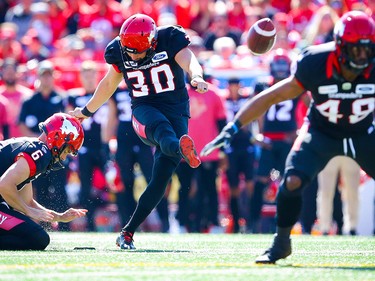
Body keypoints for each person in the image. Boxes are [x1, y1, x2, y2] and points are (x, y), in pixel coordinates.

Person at [201, 11, 375, 264]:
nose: (362, 56)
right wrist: (233, 126)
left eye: (366, 49)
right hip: (322, 131)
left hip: (363, 132)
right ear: (339, 47)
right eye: (355, 49)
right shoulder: (316, 62)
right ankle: (281, 243)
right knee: (292, 180)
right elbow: (272, 96)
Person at [69, 14, 208, 249]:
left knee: (160, 180)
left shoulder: (169, 38)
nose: (132, 55)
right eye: (129, 50)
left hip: (176, 111)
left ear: (153, 43)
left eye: (137, 51)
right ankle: (181, 149)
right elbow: (109, 83)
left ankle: (127, 232)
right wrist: (87, 111)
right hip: (144, 110)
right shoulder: (120, 49)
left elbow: (189, 59)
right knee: (163, 130)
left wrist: (196, 76)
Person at [0, 113, 87, 250]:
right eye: (67, 150)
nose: (64, 157)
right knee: (38, 238)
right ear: (58, 138)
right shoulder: (40, 152)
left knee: (36, 236)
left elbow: (27, 200)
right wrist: (28, 211)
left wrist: (59, 217)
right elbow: (4, 185)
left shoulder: (35, 148)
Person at [18, 60, 70, 231]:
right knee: (40, 190)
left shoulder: (61, 99)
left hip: (57, 152)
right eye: (43, 75)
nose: (46, 79)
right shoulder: (29, 100)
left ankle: (64, 226)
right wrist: (41, 141)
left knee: (60, 188)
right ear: (39, 77)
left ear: (53, 77)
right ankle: (45, 225)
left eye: (49, 75)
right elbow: (22, 126)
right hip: (37, 152)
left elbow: (68, 125)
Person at [66, 60, 109, 231]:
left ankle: (122, 220)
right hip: (82, 148)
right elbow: (68, 122)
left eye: (92, 74)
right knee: (85, 186)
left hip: (104, 146)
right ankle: (89, 223)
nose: (89, 78)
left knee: (114, 182)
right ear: (81, 77)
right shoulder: (74, 96)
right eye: (86, 74)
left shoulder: (105, 95)